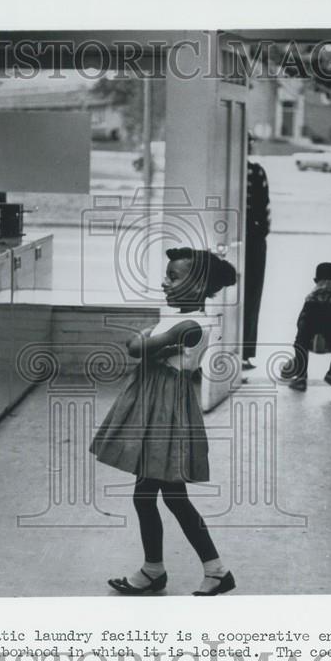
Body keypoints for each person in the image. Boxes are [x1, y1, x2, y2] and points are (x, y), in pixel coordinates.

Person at [91, 247, 238, 596]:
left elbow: (135, 346)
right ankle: (158, 569)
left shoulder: (190, 324)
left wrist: (148, 340)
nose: (164, 282)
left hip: (166, 411)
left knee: (170, 496)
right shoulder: (178, 319)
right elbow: (141, 343)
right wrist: (147, 341)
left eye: (174, 277)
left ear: (198, 284)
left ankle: (209, 571)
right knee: (152, 496)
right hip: (156, 405)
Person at [279, 262, 331, 391]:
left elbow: (302, 317)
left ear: (315, 280)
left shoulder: (314, 290)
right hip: (330, 316)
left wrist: (301, 332)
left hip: (309, 314)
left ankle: (300, 377)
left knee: (301, 344)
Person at [242, 135, 271, 370]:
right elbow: (265, 209)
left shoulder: (229, 169)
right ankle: (244, 350)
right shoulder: (256, 172)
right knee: (251, 295)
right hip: (253, 237)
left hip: (240, 235)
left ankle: (236, 349)